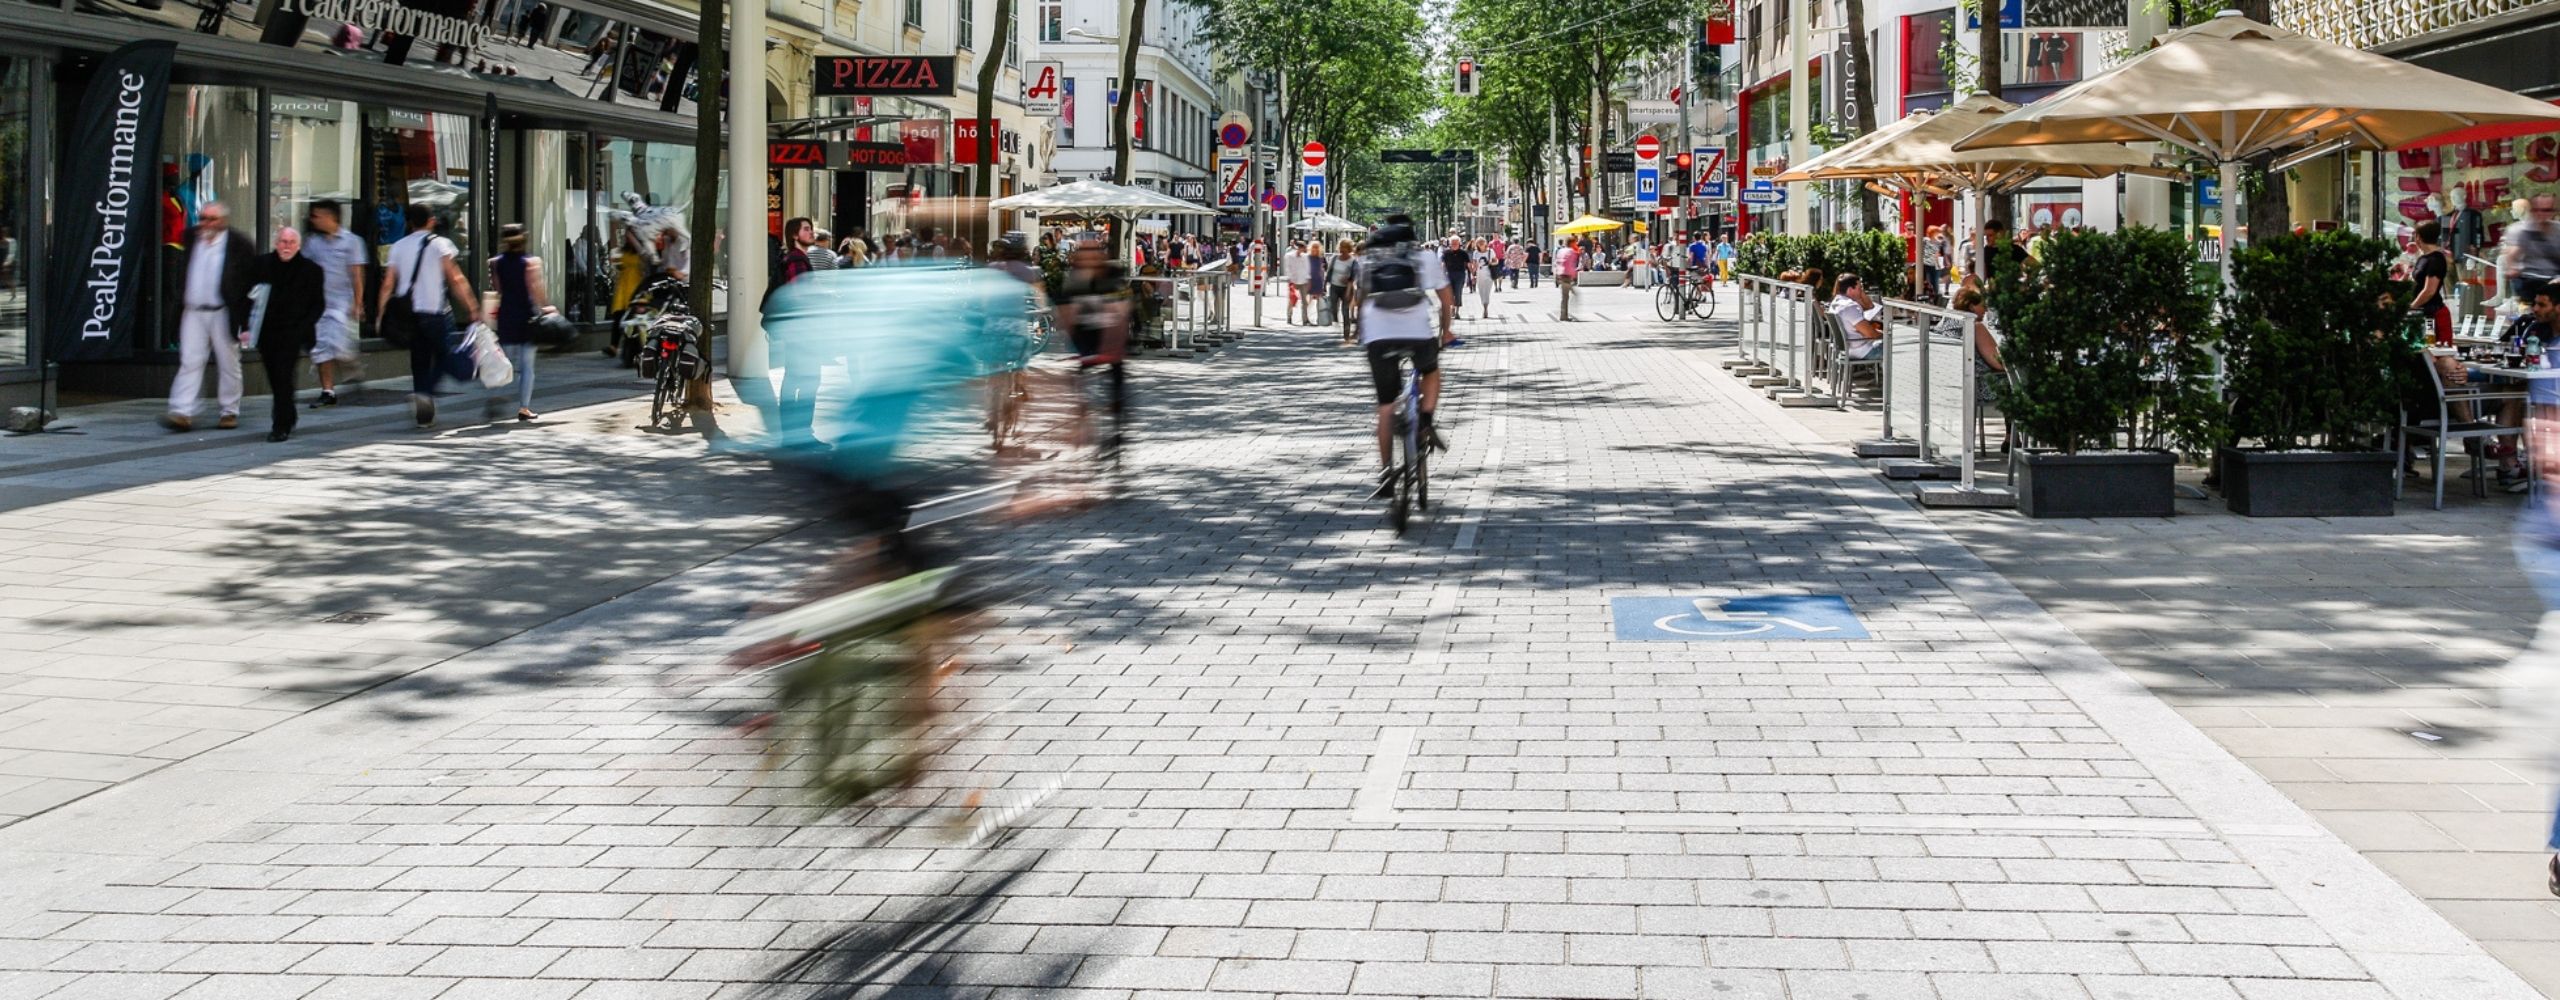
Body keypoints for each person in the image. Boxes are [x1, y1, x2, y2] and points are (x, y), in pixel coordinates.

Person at [1350, 214, 1454, 491]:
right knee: (1431, 371)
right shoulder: (1423, 257)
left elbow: (1359, 298)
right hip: (1417, 331)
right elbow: (1446, 298)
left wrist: (1360, 332)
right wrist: (1446, 331)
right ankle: (1426, 419)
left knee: (1385, 404)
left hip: (1378, 333)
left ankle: (1386, 471)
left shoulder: (1369, 259)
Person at [379, 204, 482, 428]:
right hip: (435, 311)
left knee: (419, 361)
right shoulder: (440, 244)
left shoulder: (397, 247)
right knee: (444, 356)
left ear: (409, 222)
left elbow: (388, 284)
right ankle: (427, 394)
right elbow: (455, 278)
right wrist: (472, 306)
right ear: (431, 220)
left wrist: (380, 313)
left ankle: (423, 414)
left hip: (410, 315)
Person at [161, 202, 256, 432]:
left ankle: (229, 411)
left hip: (223, 310)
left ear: (223, 221)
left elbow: (247, 281)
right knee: (190, 361)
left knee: (228, 362)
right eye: (203, 218)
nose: (206, 223)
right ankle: (182, 411)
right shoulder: (191, 238)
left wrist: (245, 319)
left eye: (212, 219)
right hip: (193, 310)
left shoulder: (238, 243)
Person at [250, 227, 326, 442]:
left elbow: (318, 304)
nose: (286, 246)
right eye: (283, 241)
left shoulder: (312, 270)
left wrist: (303, 328)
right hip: (266, 333)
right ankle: (289, 414)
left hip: (293, 333)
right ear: (276, 243)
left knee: (284, 376)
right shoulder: (261, 265)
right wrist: (245, 326)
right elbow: (247, 296)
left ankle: (280, 424)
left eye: (291, 242)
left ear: (299, 245)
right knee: (275, 377)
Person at [302, 200, 368, 407]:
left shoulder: (352, 242)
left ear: (331, 217)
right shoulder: (313, 242)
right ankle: (327, 390)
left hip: (341, 302)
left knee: (338, 345)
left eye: (318, 215)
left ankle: (352, 367)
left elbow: (357, 274)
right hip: (318, 303)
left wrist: (358, 303)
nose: (314, 220)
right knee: (321, 348)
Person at [490, 223, 555, 423]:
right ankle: (524, 407)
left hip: (507, 314)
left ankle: (498, 394)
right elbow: (535, 288)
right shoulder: (531, 262)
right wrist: (547, 307)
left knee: (505, 362)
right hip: (527, 316)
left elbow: (498, 289)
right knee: (527, 366)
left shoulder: (495, 263)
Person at [2412, 219, 2455, 347]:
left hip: (2433, 313)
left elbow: (2429, 291)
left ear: (2418, 237)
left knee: (2435, 349)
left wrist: (2412, 307)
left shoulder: (2436, 259)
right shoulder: (2423, 258)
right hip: (2423, 312)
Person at [1828, 273, 1885, 361]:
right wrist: (1887, 335)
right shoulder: (1850, 306)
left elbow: (1869, 306)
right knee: (1895, 345)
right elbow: (1871, 334)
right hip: (1861, 351)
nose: (1861, 291)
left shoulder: (1836, 302)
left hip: (1846, 350)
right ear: (1850, 290)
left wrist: (1859, 292)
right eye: (1859, 288)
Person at [1328, 238, 1359, 345]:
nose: (1342, 249)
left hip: (1346, 288)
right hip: (1334, 286)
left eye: (1344, 247)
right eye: (1341, 247)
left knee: (1345, 311)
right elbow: (1329, 271)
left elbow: (1353, 277)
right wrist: (1324, 285)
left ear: (1349, 248)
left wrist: (1348, 289)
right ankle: (1335, 320)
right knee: (1332, 305)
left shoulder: (1353, 261)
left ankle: (1346, 334)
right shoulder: (1335, 258)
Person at [1440, 236, 1471, 314]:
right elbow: (1442, 263)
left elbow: (1468, 264)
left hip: (1460, 274)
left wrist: (1473, 274)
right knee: (1450, 292)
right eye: (1452, 243)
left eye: (1456, 243)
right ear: (1450, 244)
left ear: (1459, 243)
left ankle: (1457, 311)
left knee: (1458, 292)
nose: (1454, 245)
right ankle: (1452, 306)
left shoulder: (1463, 253)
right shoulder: (1446, 253)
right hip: (1449, 274)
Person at [1554, 238, 1581, 321]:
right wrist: (1574, 276)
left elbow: (1557, 262)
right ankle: (1563, 315)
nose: (1576, 244)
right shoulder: (1571, 252)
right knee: (1568, 296)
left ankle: (1563, 314)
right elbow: (1570, 265)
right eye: (1575, 243)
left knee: (1565, 296)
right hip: (1567, 275)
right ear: (1572, 243)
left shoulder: (1561, 251)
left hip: (1560, 274)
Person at [1284, 241, 1309, 325]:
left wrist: (1308, 279)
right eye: (1302, 248)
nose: (1303, 250)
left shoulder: (1305, 257)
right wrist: (1291, 279)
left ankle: (1305, 319)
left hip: (1303, 280)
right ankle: (1289, 316)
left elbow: (1307, 268)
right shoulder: (1289, 256)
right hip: (1293, 280)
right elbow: (1288, 268)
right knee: (1292, 299)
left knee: (1304, 301)